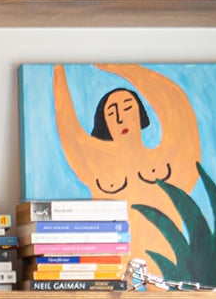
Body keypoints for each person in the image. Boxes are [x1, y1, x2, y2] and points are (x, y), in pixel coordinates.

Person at [50, 64, 203, 276]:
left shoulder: (169, 160)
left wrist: (124, 68)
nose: (121, 118)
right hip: (113, 274)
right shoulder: (97, 164)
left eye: (128, 108)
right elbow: (68, 129)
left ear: (141, 115)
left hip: (167, 273)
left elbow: (176, 107)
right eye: (112, 114)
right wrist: (58, 72)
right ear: (104, 124)